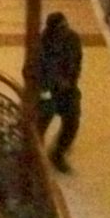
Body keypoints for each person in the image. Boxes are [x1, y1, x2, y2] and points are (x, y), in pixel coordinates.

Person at [31, 9, 83, 171]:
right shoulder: (40, 45)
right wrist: (47, 90)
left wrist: (70, 81)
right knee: (43, 119)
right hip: (47, 91)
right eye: (61, 28)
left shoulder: (73, 39)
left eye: (65, 26)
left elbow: (78, 61)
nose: (65, 30)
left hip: (67, 89)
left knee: (72, 122)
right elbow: (33, 71)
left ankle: (58, 153)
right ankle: (32, 154)